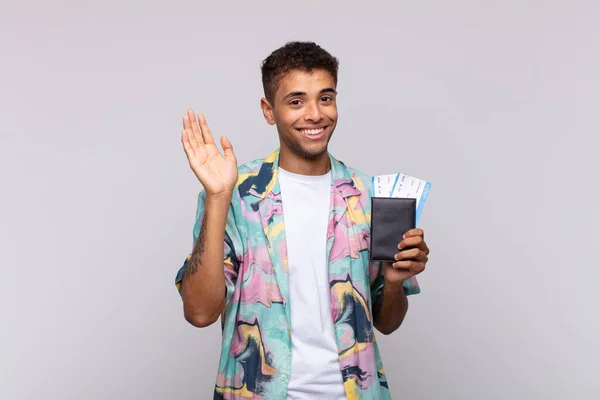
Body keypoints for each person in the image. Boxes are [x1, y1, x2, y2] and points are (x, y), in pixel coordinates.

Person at [175, 41, 430, 400]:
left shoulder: (366, 195)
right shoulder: (237, 195)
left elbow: (387, 323)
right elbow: (200, 312)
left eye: (325, 98)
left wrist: (392, 281)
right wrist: (218, 197)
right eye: (296, 101)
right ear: (269, 110)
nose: (315, 114)